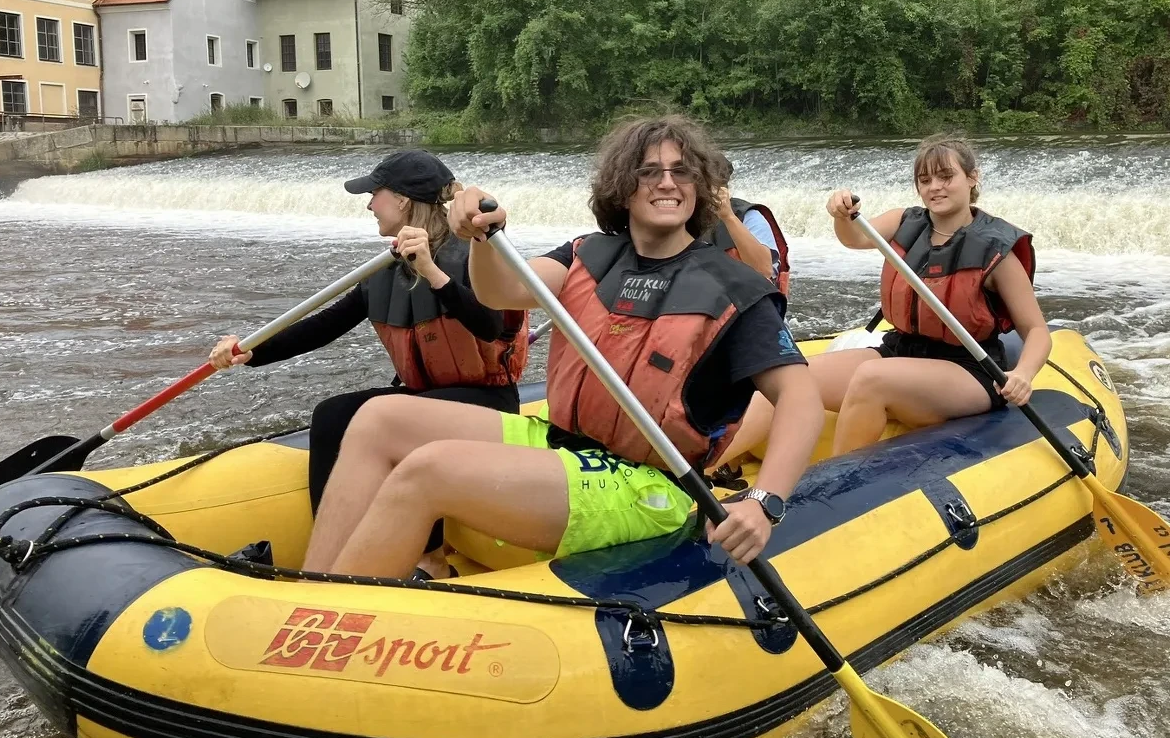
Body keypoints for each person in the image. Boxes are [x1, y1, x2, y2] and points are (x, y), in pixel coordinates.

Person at [301, 116, 825, 581]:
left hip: (646, 485)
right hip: (563, 441)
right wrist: (481, 236)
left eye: (682, 172)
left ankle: (331, 619)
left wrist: (763, 502)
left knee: (430, 467)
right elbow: (501, 291)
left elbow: (800, 400)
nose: (667, 182)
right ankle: (313, 587)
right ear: (622, 187)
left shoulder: (735, 288)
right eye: (649, 171)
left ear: (700, 187)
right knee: (377, 418)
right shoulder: (588, 254)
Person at [208, 148, 529, 542]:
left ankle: (431, 559)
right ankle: (332, 542)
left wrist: (432, 271)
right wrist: (252, 350)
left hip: (489, 404)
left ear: (402, 200)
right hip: (424, 400)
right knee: (331, 414)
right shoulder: (386, 269)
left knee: (393, 417)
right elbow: (325, 325)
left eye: (374, 194)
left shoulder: (476, 253)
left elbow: (490, 326)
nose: (369, 205)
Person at [713, 134, 1050, 463]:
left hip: (968, 369)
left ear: (972, 178)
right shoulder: (904, 221)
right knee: (786, 379)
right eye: (925, 180)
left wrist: (1023, 373)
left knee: (871, 378)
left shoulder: (996, 249)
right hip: (901, 349)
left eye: (946, 177)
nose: (935, 187)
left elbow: (1036, 330)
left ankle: (831, 487)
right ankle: (706, 472)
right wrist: (841, 216)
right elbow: (853, 239)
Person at [708, 152, 792, 298]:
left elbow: (764, 270)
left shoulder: (750, 218)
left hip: (747, 303)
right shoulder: (680, 218)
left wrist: (728, 217)